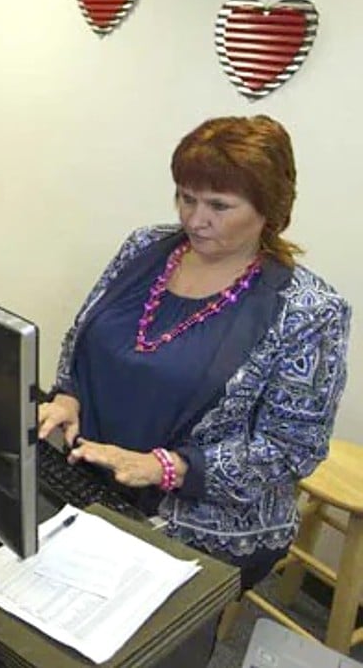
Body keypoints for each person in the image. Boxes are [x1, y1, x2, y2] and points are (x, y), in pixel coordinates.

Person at [37, 115, 350, 591]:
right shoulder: (145, 248)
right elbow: (86, 337)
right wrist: (68, 397)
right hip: (92, 475)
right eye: (186, 197)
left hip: (205, 522)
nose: (194, 219)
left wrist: (167, 467)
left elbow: (291, 449)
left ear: (270, 210)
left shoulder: (309, 310)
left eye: (219, 206)